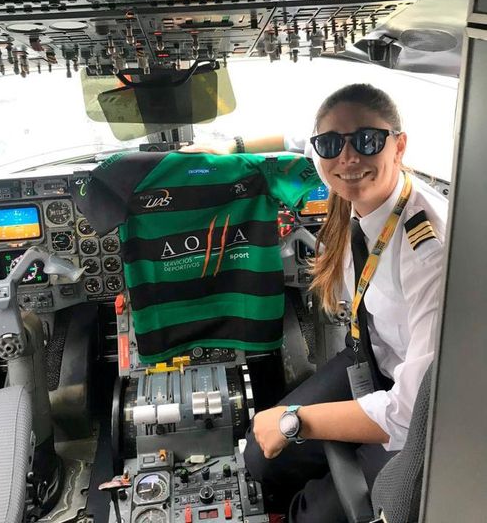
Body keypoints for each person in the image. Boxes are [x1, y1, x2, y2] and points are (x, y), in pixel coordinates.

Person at [183, 83, 448, 522]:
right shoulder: (344, 171)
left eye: (367, 140)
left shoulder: (430, 252)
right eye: (332, 144)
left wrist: (297, 420)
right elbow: (300, 139)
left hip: (421, 409)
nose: (348, 157)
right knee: (260, 457)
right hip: (370, 358)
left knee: (311, 514)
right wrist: (231, 146)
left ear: (399, 146)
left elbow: (407, 411)